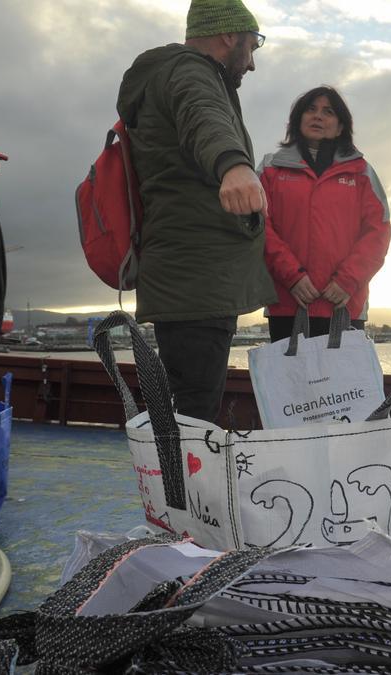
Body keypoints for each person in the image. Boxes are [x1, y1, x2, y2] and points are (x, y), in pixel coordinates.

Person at [116, 0, 277, 422]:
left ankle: (183, 485)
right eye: (253, 44)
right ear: (229, 35)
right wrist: (234, 164)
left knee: (187, 409)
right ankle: (186, 489)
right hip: (196, 279)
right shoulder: (189, 71)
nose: (252, 63)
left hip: (191, 278)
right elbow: (202, 114)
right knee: (194, 417)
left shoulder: (172, 72)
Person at [259, 86, 391, 341]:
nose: (318, 116)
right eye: (311, 109)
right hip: (288, 304)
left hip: (344, 305)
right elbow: (258, 227)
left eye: (328, 112)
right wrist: (292, 277)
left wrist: (347, 281)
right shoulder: (270, 169)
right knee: (292, 381)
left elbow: (379, 231)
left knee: (344, 382)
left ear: (341, 126)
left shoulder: (361, 172)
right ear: (298, 120)